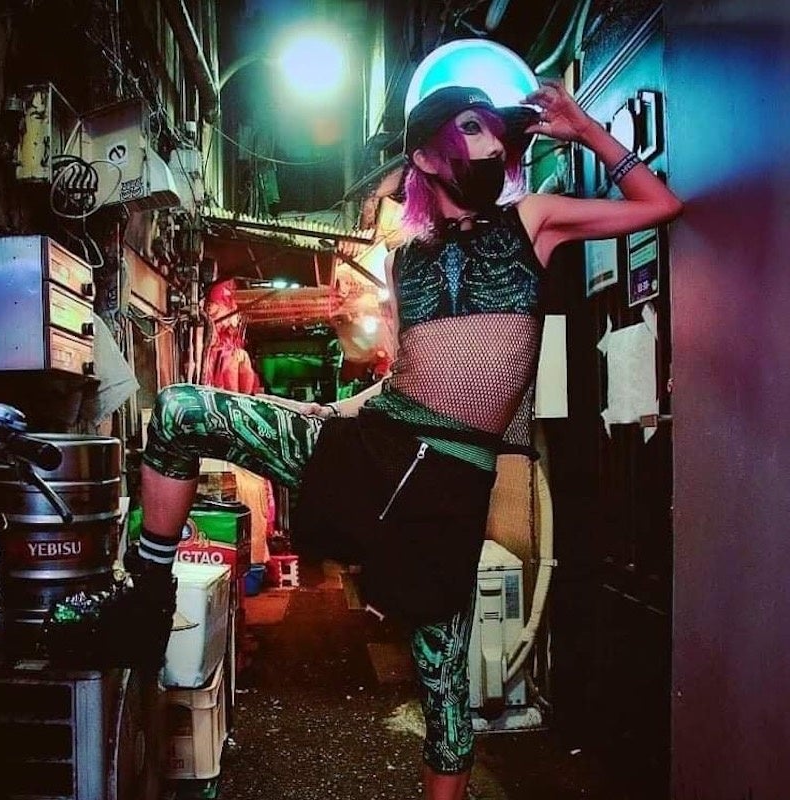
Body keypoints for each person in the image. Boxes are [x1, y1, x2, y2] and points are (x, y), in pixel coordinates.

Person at [126, 77, 682, 800]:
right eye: (474, 129)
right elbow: (403, 376)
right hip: (376, 448)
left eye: (496, 132)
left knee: (445, 696)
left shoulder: (533, 219)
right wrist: (328, 412)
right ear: (427, 154)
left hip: (449, 486)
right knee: (179, 411)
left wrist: (586, 131)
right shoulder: (404, 258)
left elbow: (659, 204)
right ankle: (147, 605)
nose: (492, 145)